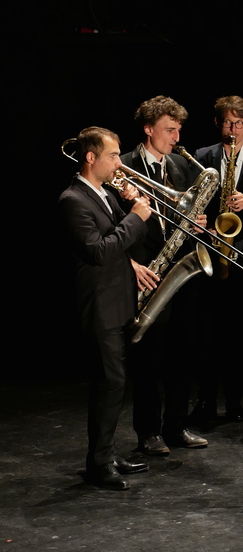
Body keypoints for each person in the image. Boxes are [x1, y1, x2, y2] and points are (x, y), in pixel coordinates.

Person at [58, 127, 154, 489]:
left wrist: (132, 208)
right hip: (98, 307)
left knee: (112, 383)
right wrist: (136, 217)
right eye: (113, 156)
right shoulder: (72, 199)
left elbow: (126, 242)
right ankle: (99, 463)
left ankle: (107, 453)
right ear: (91, 158)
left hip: (118, 301)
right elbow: (98, 251)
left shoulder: (104, 194)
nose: (119, 162)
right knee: (111, 382)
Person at [122, 95, 209, 455]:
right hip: (147, 271)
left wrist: (198, 224)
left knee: (183, 353)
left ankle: (176, 426)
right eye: (169, 130)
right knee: (148, 358)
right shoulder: (123, 166)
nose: (176, 137)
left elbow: (186, 211)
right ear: (148, 129)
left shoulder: (180, 166)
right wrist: (130, 264)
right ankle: (148, 432)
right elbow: (111, 225)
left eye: (178, 130)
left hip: (181, 270)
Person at [189, 95, 243, 425]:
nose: (233, 129)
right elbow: (193, 201)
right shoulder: (202, 156)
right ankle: (206, 401)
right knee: (207, 335)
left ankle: (234, 401)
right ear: (217, 124)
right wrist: (202, 220)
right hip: (210, 251)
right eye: (227, 122)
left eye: (239, 123)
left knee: (239, 335)